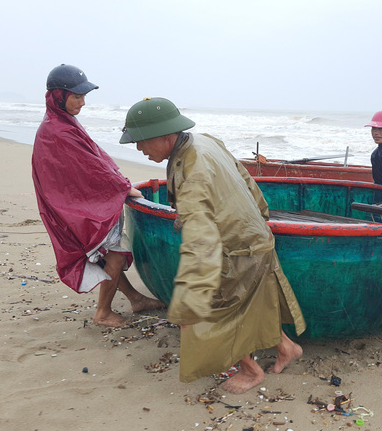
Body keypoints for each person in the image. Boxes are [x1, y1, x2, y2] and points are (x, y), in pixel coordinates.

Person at [120, 97, 306, 394]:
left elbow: (200, 240)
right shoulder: (204, 141)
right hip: (255, 237)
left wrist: (189, 301)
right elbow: (247, 180)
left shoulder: (191, 171)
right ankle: (287, 348)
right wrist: (261, 218)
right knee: (257, 302)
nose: (140, 149)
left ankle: (251, 371)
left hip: (236, 248)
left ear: (167, 136)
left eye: (142, 142)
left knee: (214, 312)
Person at [31, 64, 164, 328]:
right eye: (77, 96)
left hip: (75, 202)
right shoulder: (57, 131)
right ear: (59, 95)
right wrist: (123, 188)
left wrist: (119, 182)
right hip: (73, 206)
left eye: (84, 97)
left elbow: (91, 160)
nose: (82, 102)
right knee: (114, 253)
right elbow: (88, 169)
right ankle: (103, 313)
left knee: (107, 252)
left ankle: (135, 298)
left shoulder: (61, 121)